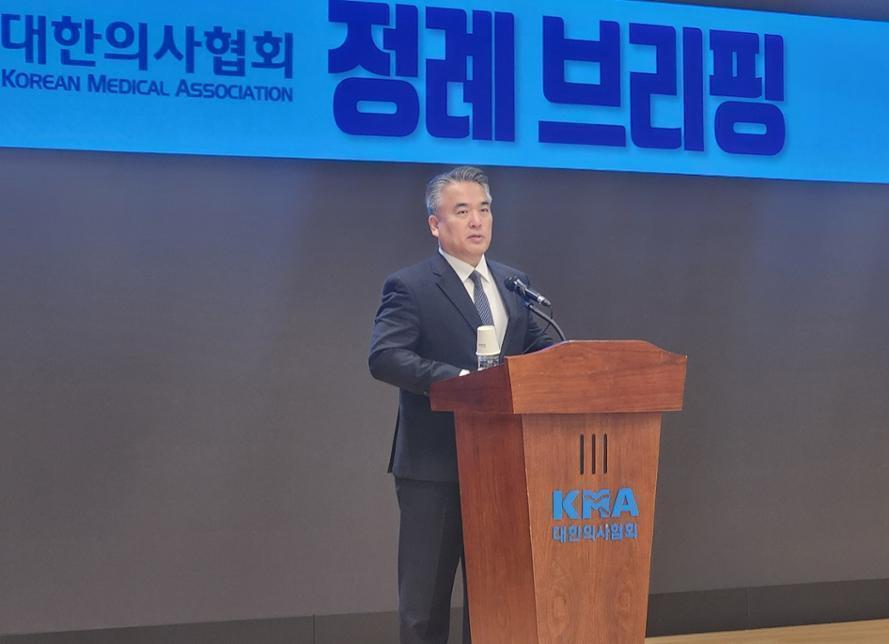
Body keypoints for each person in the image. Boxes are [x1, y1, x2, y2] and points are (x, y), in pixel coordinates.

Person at [368, 166, 554, 644]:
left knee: (496, 599)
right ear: (435, 224)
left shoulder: (513, 284)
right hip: (435, 466)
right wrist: (462, 383)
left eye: (484, 209)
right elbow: (385, 356)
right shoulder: (410, 285)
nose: (477, 221)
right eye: (462, 211)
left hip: (501, 465)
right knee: (425, 607)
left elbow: (541, 352)